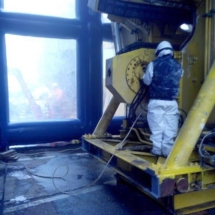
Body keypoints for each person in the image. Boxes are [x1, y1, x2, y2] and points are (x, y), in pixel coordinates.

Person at [143, 41, 184, 157]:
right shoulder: (178, 65)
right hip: (172, 102)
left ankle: (156, 151)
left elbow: (147, 81)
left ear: (159, 52)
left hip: (156, 101)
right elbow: (179, 77)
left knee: (157, 128)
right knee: (170, 128)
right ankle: (167, 152)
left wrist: (143, 76)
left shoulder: (153, 64)